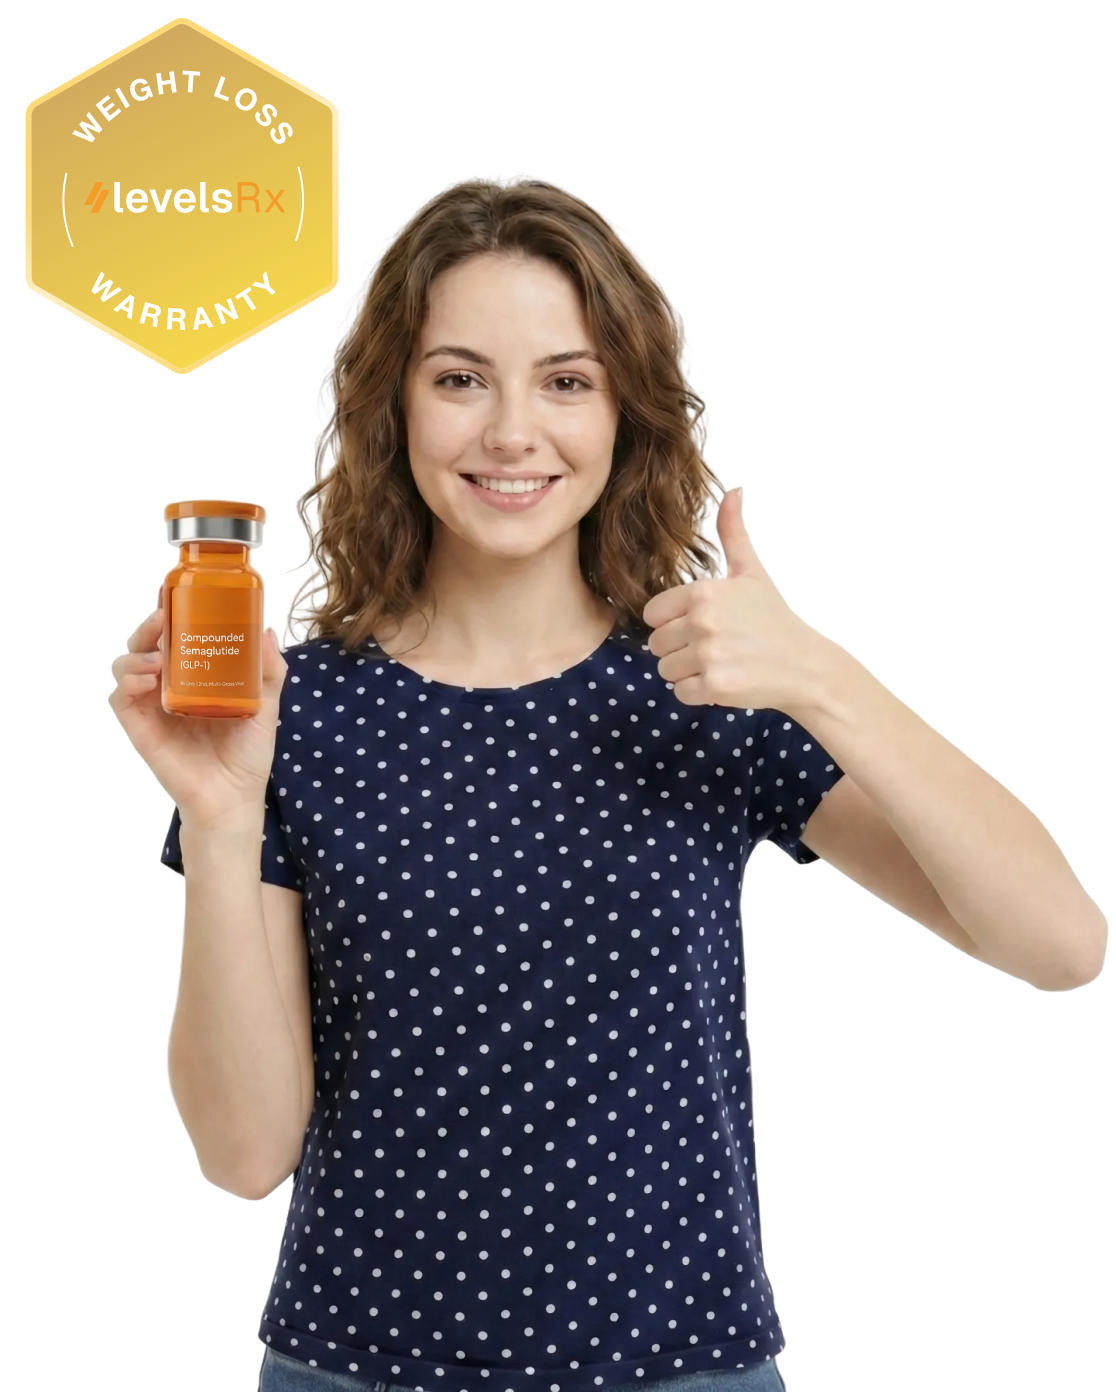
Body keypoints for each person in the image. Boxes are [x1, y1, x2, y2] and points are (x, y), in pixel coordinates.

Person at [109, 173, 813, 1392]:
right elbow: (242, 1156)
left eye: (566, 379)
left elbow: (1064, 943)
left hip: (684, 1367)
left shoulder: (709, 681)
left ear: (625, 412)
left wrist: (823, 674)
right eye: (459, 377)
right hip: (354, 1370)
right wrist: (219, 820)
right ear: (395, 405)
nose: (509, 432)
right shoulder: (294, 702)